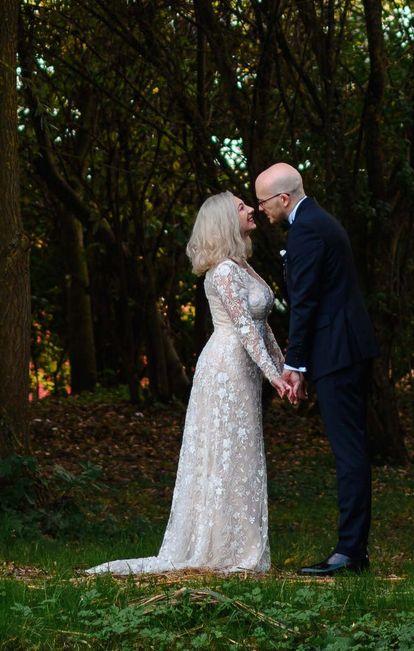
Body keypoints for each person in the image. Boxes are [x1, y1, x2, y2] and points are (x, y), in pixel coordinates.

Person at [85, 193, 289, 574]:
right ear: (227, 221)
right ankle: (225, 549)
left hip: (243, 367)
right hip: (226, 369)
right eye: (241, 207)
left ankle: (241, 547)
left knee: (241, 455)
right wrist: (274, 376)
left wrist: (285, 366)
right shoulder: (225, 271)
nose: (249, 210)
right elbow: (244, 327)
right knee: (228, 453)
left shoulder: (243, 266)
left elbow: (263, 325)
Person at [254, 162, 378, 576]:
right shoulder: (317, 220)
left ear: (283, 199)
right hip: (347, 347)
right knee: (352, 450)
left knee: (349, 453)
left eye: (263, 202)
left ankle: (349, 553)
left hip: (337, 351)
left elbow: (305, 302)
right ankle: (352, 548)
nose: (260, 210)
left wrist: (294, 365)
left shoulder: (306, 229)